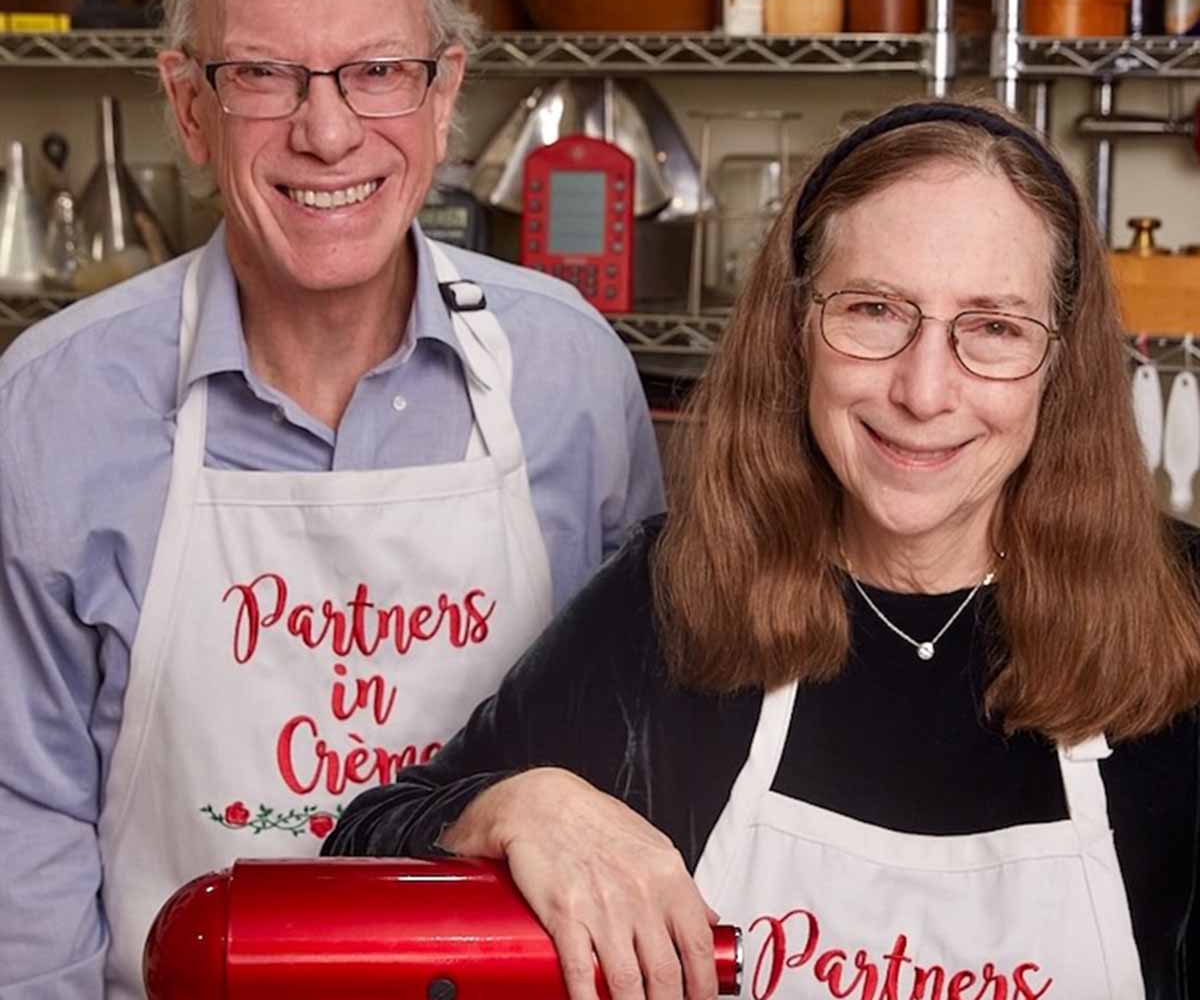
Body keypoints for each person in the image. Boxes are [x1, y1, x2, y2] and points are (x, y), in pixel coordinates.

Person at [327, 99, 1200, 1000]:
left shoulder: (1186, 614)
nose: (925, 390)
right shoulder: (674, 598)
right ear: (795, 330)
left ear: (1062, 365)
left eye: (994, 328)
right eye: (872, 310)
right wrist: (516, 803)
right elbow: (360, 849)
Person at [0, 0, 663, 999]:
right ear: (187, 104)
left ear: (443, 92)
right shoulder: (53, 409)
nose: (327, 130)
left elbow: (641, 757)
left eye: (378, 69)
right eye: (261, 72)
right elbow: (24, 818)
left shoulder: (569, 380)